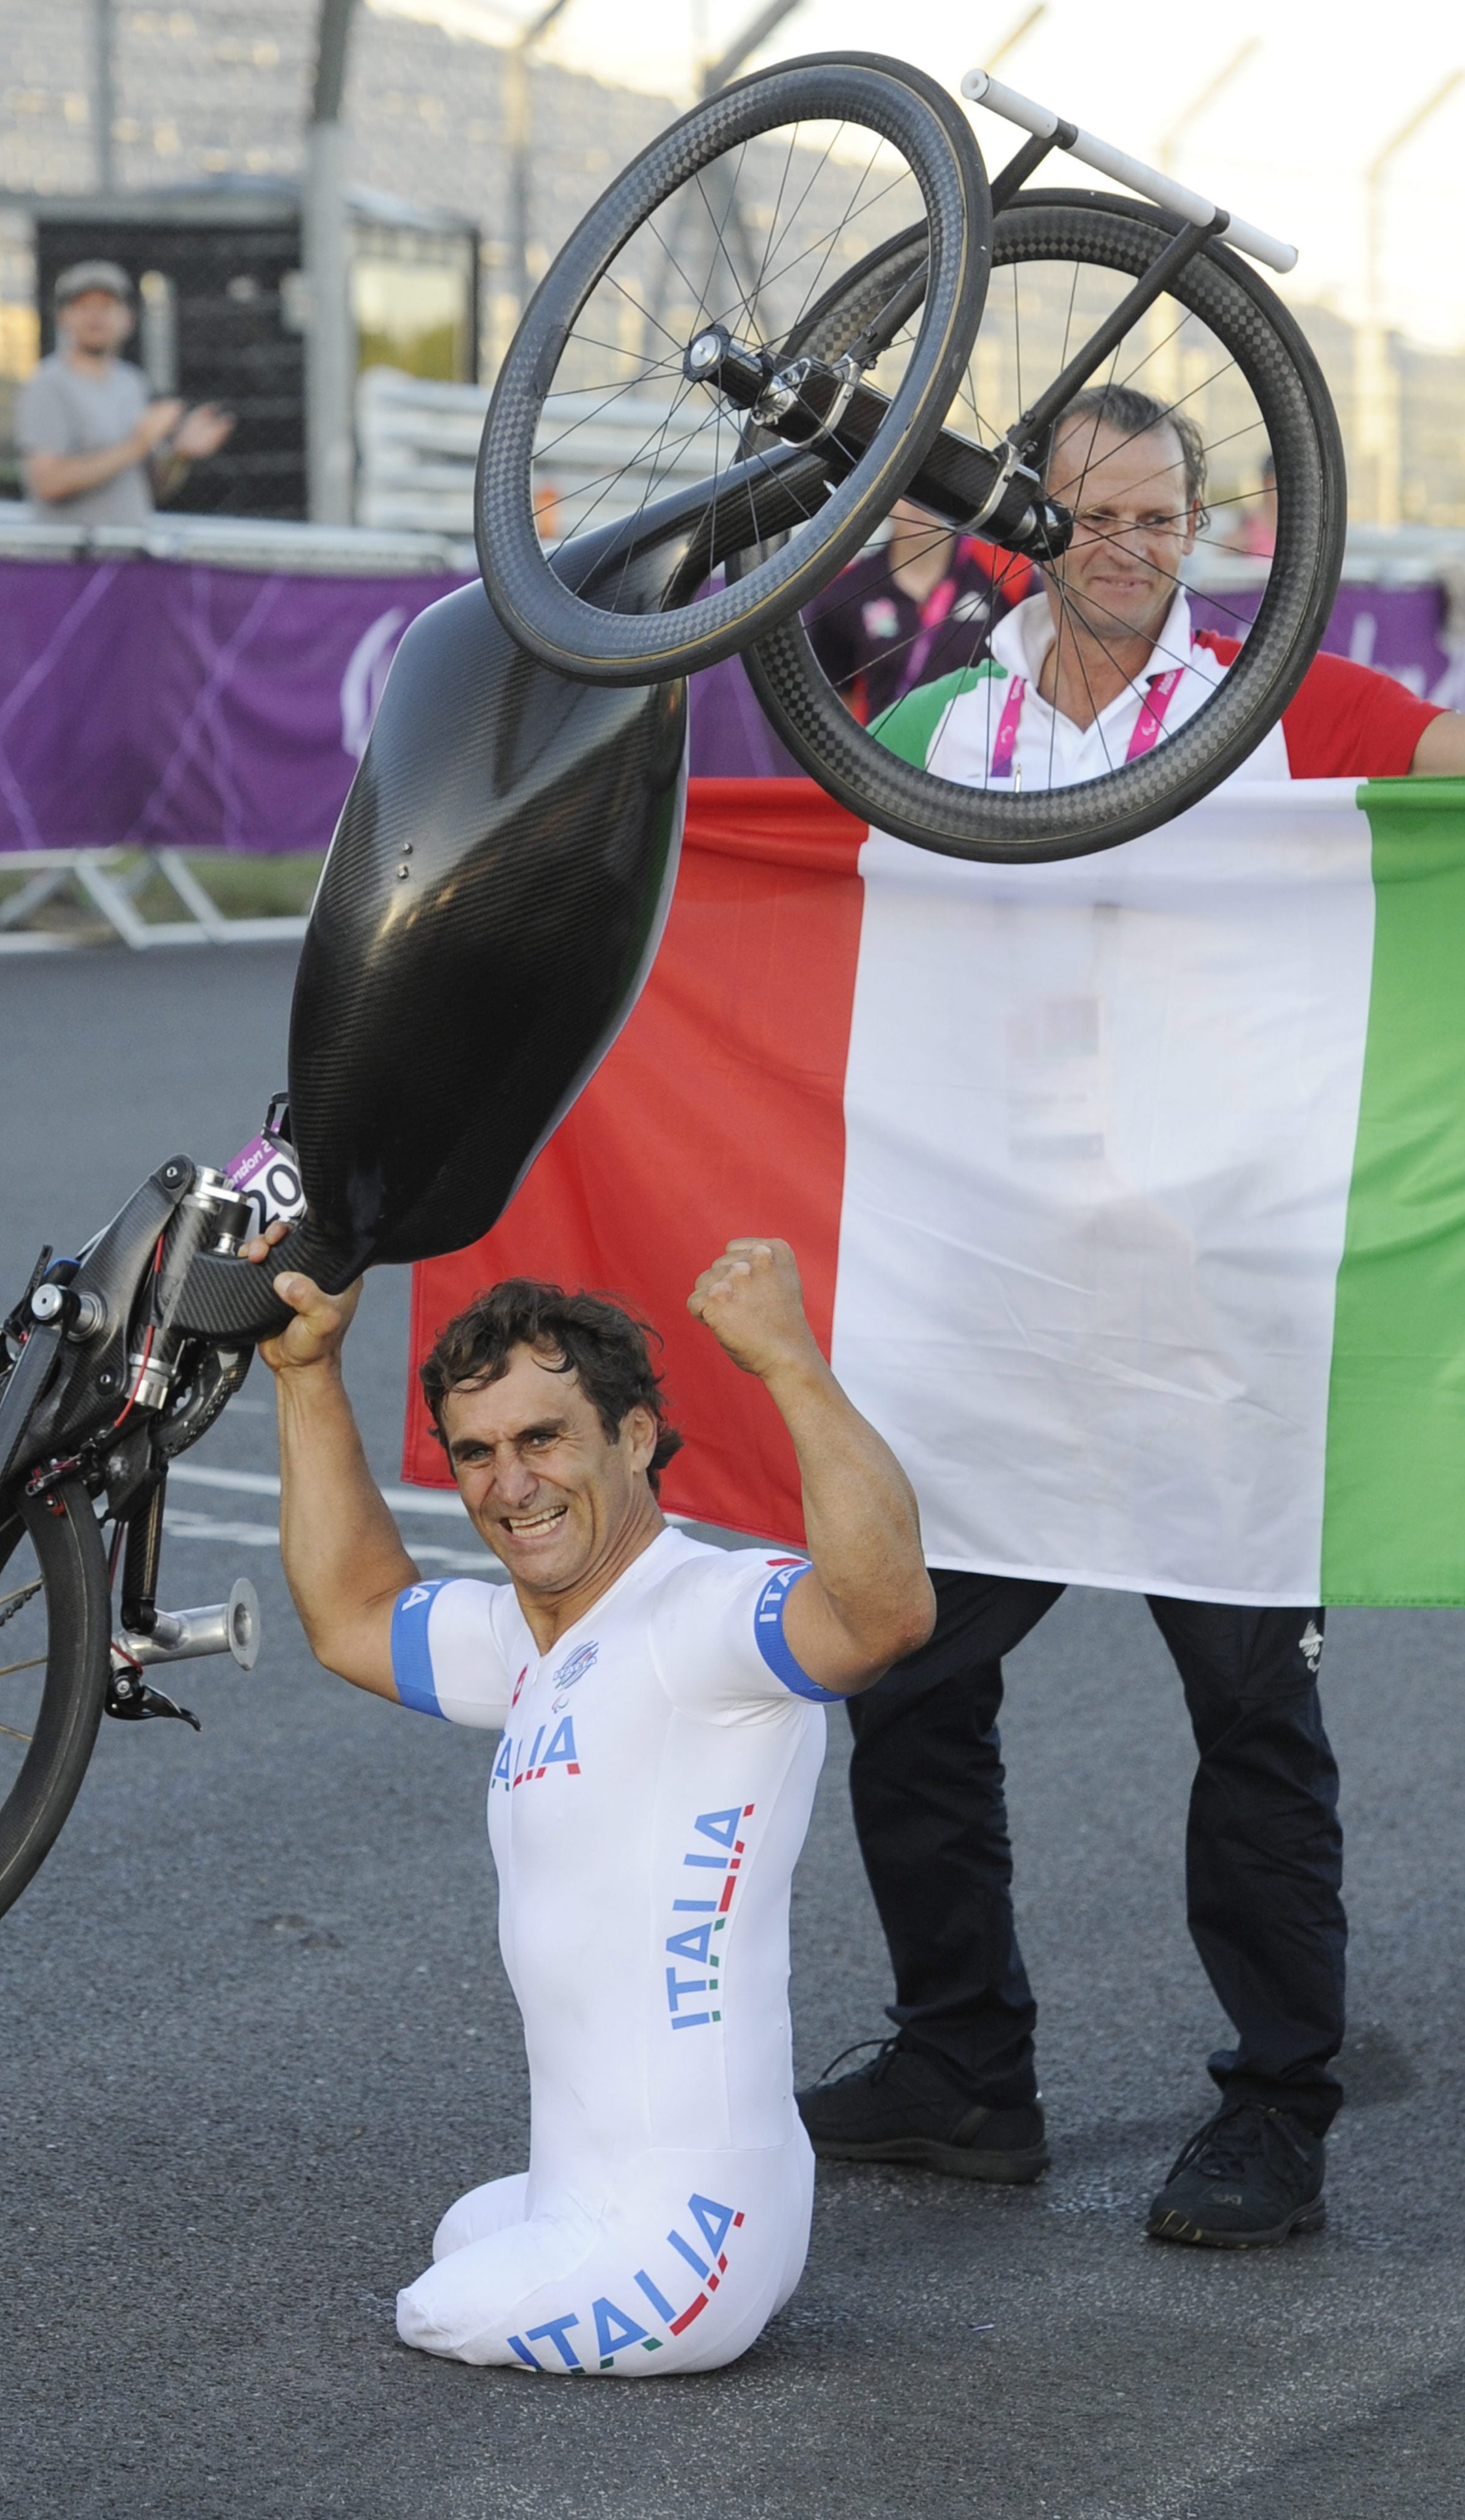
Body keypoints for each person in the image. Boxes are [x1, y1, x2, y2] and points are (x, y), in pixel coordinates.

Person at [799, 383, 1465, 2248]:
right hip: (1000, 1295)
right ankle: (963, 2067)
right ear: (1024, 520)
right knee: (910, 1668)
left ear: (1204, 526)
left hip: (1220, 1301)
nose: (1132, 550)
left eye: (1163, 518)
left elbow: (1451, 779)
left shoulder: (1283, 706)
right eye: (1093, 517)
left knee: (1252, 1713)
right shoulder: (940, 724)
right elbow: (807, 890)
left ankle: (1276, 2112)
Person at [252, 1237, 932, 2374]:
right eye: (475, 1453)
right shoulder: (539, 1634)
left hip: (693, 2241)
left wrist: (792, 1367)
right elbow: (353, 1615)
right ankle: (580, 2214)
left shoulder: (702, 1618)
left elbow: (883, 1616)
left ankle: (654, 2260)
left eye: (541, 1439)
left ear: (633, 1437)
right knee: (470, 2231)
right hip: (603, 2191)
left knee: (434, 2308)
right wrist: (306, 1374)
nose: (508, 1485)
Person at [17, 261, 233, 526]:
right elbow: (48, 484)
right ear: (63, 317)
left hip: (127, 555)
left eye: (106, 306)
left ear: (128, 319)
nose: (95, 317)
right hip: (74, 560)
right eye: (84, 306)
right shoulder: (47, 385)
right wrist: (138, 444)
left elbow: (145, 490)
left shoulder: (132, 383)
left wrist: (180, 453)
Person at [805, 498, 1032, 723]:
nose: (919, 505)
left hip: (982, 753)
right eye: (908, 490)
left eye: (930, 489)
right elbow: (833, 700)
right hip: (881, 752)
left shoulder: (1010, 575)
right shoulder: (845, 590)